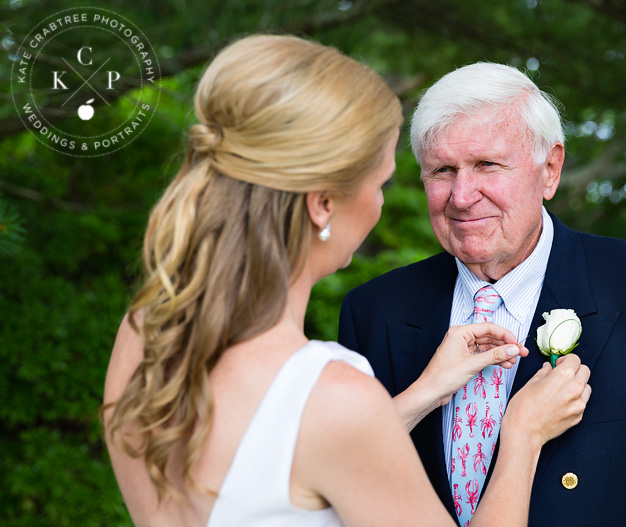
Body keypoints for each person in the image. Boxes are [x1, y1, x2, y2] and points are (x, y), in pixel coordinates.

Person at [102, 36, 592, 527]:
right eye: (380, 183)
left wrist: (422, 393)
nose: (458, 197)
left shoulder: (147, 333)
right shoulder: (336, 395)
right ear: (323, 205)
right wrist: (522, 439)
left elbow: (286, 456)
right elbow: (330, 432)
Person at [338, 62, 626, 526]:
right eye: (442, 170)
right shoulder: (373, 312)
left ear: (550, 170)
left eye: (487, 164)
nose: (461, 196)